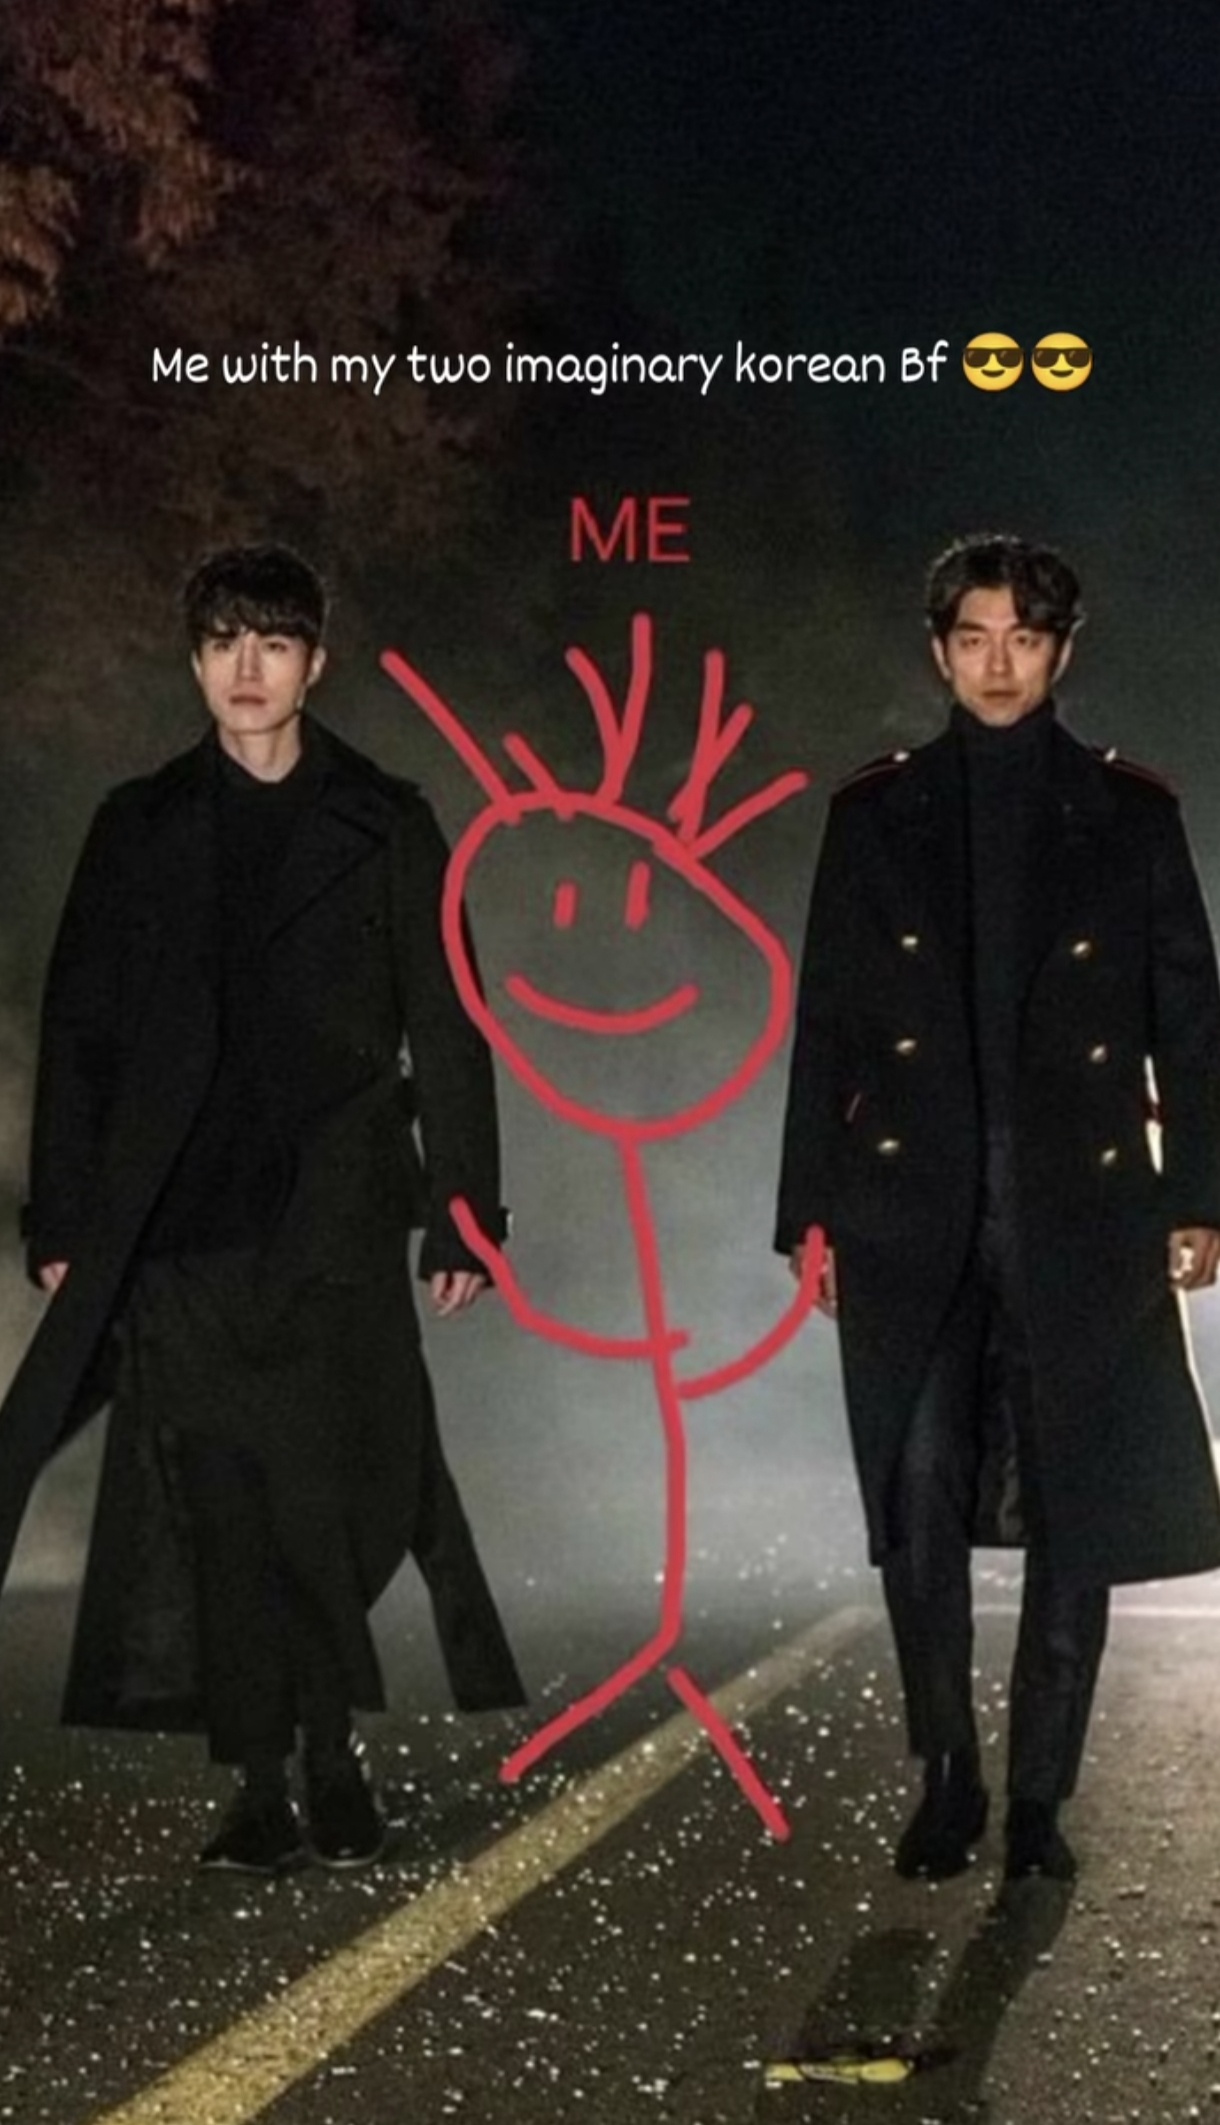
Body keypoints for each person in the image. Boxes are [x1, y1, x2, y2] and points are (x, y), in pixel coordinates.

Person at [2, 543, 523, 1875]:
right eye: (225, 641)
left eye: (274, 642)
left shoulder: (390, 820)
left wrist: (465, 1208)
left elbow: (449, 1023)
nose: (247, 666)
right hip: (179, 1221)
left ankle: (332, 1757)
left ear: (314, 662)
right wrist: (63, 1219)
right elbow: (81, 1025)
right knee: (220, 1510)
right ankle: (261, 1784)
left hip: (335, 1213)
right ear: (194, 661)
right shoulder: (139, 824)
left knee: (322, 1497)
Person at [775, 533, 1220, 1881]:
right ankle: (949, 1774)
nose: (998, 663)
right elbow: (826, 1025)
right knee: (915, 1491)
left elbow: (1192, 1022)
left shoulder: (1131, 812)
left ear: (1061, 649)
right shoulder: (875, 813)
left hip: (1082, 1201)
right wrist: (806, 1214)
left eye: (1023, 637)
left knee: (1077, 1502)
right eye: (974, 637)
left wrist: (1200, 1194)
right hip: (908, 1199)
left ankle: (1038, 1802)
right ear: (940, 651)